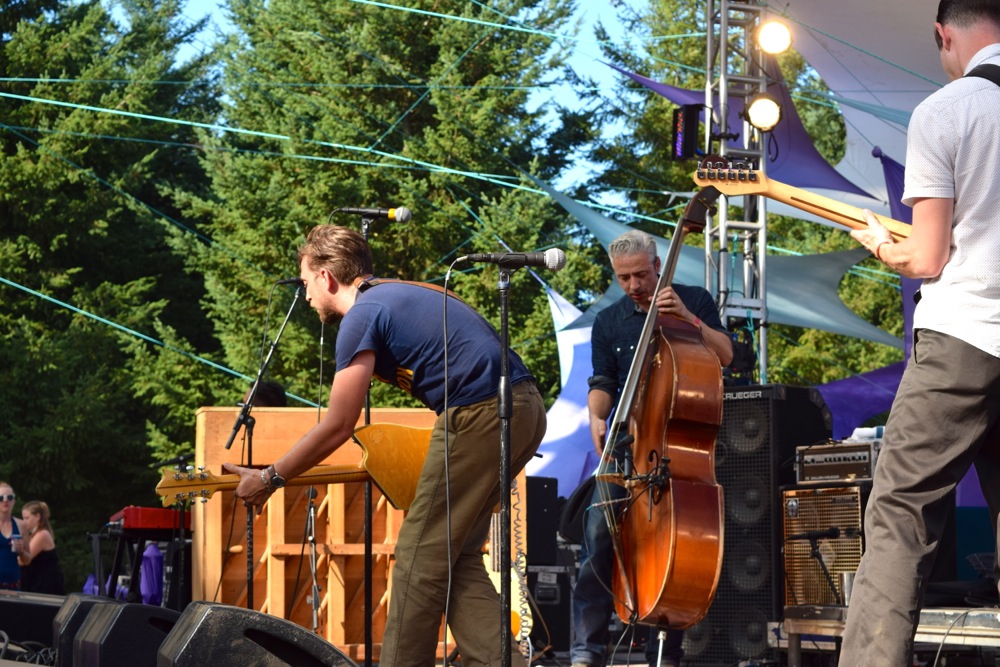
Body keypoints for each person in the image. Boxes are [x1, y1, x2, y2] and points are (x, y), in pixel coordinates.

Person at [222, 224, 547, 667]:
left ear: (326, 277)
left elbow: (339, 424)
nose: (307, 296)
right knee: (453, 557)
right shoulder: (396, 294)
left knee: (417, 556)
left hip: (481, 411)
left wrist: (269, 477)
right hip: (525, 407)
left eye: (306, 282)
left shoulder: (362, 315)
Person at [841, 2, 1000, 664]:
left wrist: (883, 245)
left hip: (963, 337)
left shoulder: (949, 109)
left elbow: (929, 256)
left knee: (900, 511)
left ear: (944, 33)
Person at [570, 230, 733, 667]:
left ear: (658, 266)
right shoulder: (609, 321)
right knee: (597, 537)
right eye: (623, 278)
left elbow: (728, 355)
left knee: (673, 545)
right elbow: (603, 382)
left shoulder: (694, 300)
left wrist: (688, 319)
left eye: (641, 275)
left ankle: (665, 650)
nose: (633, 285)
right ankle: (587, 651)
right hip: (627, 445)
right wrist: (596, 414)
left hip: (672, 451)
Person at [18, 500, 66, 595]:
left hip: (45, 586)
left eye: (27, 518)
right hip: (36, 584)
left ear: (37, 516)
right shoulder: (32, 534)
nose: (24, 522)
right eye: (23, 518)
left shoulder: (42, 535)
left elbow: (24, 560)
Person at [0, 481, 26, 591]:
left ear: (14, 501)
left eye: (9, 497)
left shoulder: (21, 525)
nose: (5, 500)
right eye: (1, 498)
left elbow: (27, 559)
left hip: (13, 584)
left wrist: (21, 551)